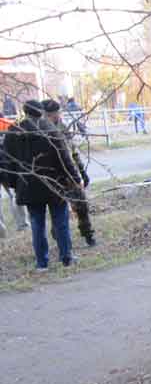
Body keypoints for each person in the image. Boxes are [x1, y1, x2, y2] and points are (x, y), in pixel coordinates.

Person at [3, 100, 80, 270]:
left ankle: (42, 263)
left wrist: (13, 184)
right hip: (54, 184)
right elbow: (65, 159)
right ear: (41, 112)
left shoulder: (13, 132)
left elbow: (7, 162)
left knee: (37, 225)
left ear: (25, 112)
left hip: (28, 186)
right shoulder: (50, 130)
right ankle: (66, 257)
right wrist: (75, 179)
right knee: (61, 222)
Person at [42, 99, 96, 246]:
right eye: (57, 113)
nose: (59, 115)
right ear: (49, 114)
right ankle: (58, 235)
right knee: (57, 210)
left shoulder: (62, 126)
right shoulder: (39, 129)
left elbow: (72, 150)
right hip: (52, 176)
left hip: (69, 173)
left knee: (81, 205)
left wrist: (81, 170)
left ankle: (88, 234)